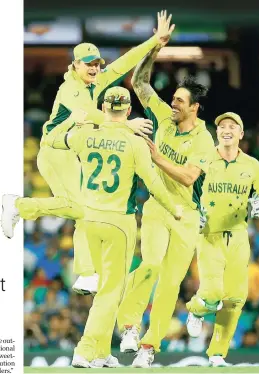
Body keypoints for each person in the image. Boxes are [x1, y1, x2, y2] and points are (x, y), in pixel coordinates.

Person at [2, 86, 182, 368]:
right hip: (118, 223)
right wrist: (175, 209)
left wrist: (76, 119)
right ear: (127, 111)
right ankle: (84, 350)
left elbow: (52, 139)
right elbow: (154, 184)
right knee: (112, 292)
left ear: (105, 108)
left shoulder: (86, 135)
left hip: (88, 219)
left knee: (104, 291)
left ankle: (100, 353)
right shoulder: (134, 142)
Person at [36, 10, 176, 296]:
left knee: (81, 211)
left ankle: (87, 274)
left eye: (97, 64)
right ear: (74, 65)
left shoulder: (94, 83)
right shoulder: (71, 89)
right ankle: (21, 207)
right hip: (55, 149)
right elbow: (91, 114)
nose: (94, 68)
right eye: (87, 64)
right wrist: (129, 124)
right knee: (80, 210)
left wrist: (154, 40)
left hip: (69, 148)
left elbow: (123, 64)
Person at [116, 45, 215, 368]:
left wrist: (157, 157)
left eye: (179, 101)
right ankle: (130, 326)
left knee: (171, 284)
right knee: (151, 264)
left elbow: (189, 177)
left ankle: (149, 345)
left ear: (195, 108)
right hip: (159, 205)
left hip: (187, 216)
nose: (172, 103)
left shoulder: (204, 139)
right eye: (172, 99)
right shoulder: (163, 117)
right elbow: (140, 84)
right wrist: (154, 47)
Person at [185, 112, 259, 367]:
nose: (226, 129)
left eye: (233, 126)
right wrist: (192, 212)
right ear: (217, 133)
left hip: (238, 236)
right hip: (209, 235)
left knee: (235, 298)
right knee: (212, 292)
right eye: (222, 126)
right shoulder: (203, 159)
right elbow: (184, 188)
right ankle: (196, 309)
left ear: (241, 134)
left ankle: (217, 354)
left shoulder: (252, 165)